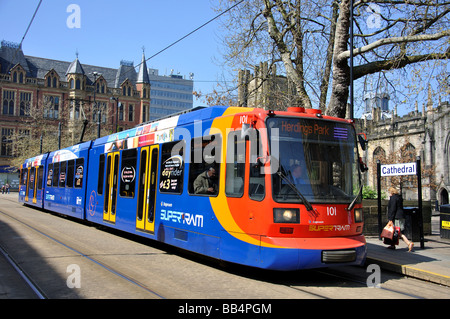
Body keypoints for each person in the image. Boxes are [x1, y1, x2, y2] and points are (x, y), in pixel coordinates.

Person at [387, 187, 414, 251]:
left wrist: (390, 219)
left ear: (391, 192)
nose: (389, 194)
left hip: (397, 217)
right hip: (401, 216)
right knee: (394, 231)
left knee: (398, 232)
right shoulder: (399, 197)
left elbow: (393, 209)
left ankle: (408, 243)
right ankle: (392, 245)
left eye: (389, 192)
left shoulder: (393, 198)